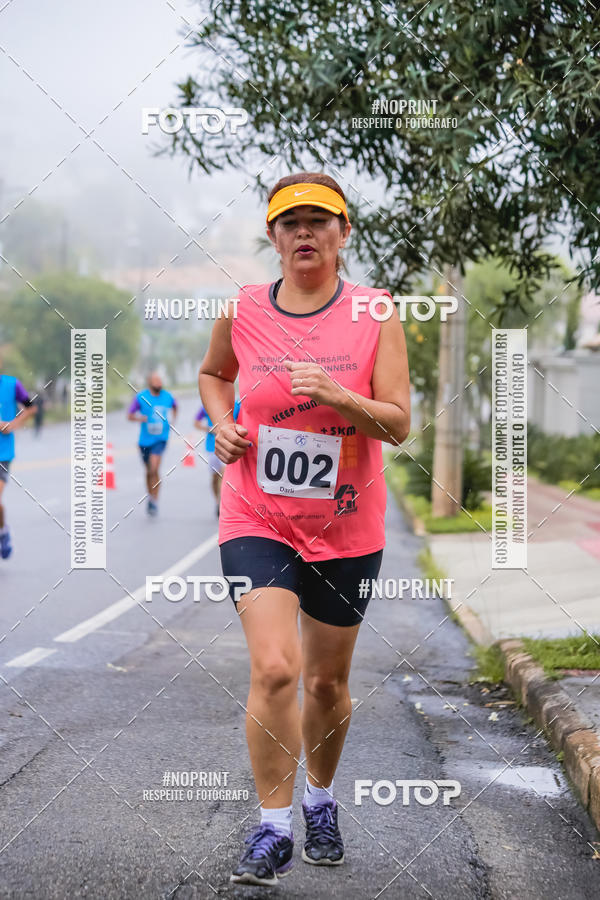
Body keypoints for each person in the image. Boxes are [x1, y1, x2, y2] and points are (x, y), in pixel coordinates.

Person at [198, 172, 410, 886]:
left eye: (320, 221)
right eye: (291, 223)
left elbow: (400, 424)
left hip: (348, 525)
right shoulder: (245, 306)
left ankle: (321, 800)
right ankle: (272, 827)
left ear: (344, 234)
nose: (305, 233)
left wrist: (337, 394)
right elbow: (214, 374)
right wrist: (223, 426)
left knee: (325, 682)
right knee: (276, 668)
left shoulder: (375, 310)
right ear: (273, 236)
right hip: (256, 513)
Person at [127, 372, 177, 516]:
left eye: (160, 381)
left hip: (161, 439)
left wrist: (173, 420)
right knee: (149, 471)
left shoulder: (168, 396)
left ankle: (155, 500)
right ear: (149, 383)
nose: (158, 383)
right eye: (155, 381)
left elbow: (175, 407)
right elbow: (130, 415)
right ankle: (150, 496)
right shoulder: (141, 397)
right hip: (144, 440)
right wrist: (140, 418)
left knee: (154, 468)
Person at [0, 371, 36, 558]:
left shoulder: (12, 384)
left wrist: (12, 424)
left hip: (2, 453)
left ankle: (2, 531)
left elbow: (31, 408)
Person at [194, 397, 241, 517]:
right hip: (211, 447)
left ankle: (223, 504)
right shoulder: (208, 403)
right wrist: (209, 429)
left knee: (224, 475)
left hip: (228, 445)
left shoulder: (236, 405)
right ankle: (217, 501)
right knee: (215, 477)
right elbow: (196, 422)